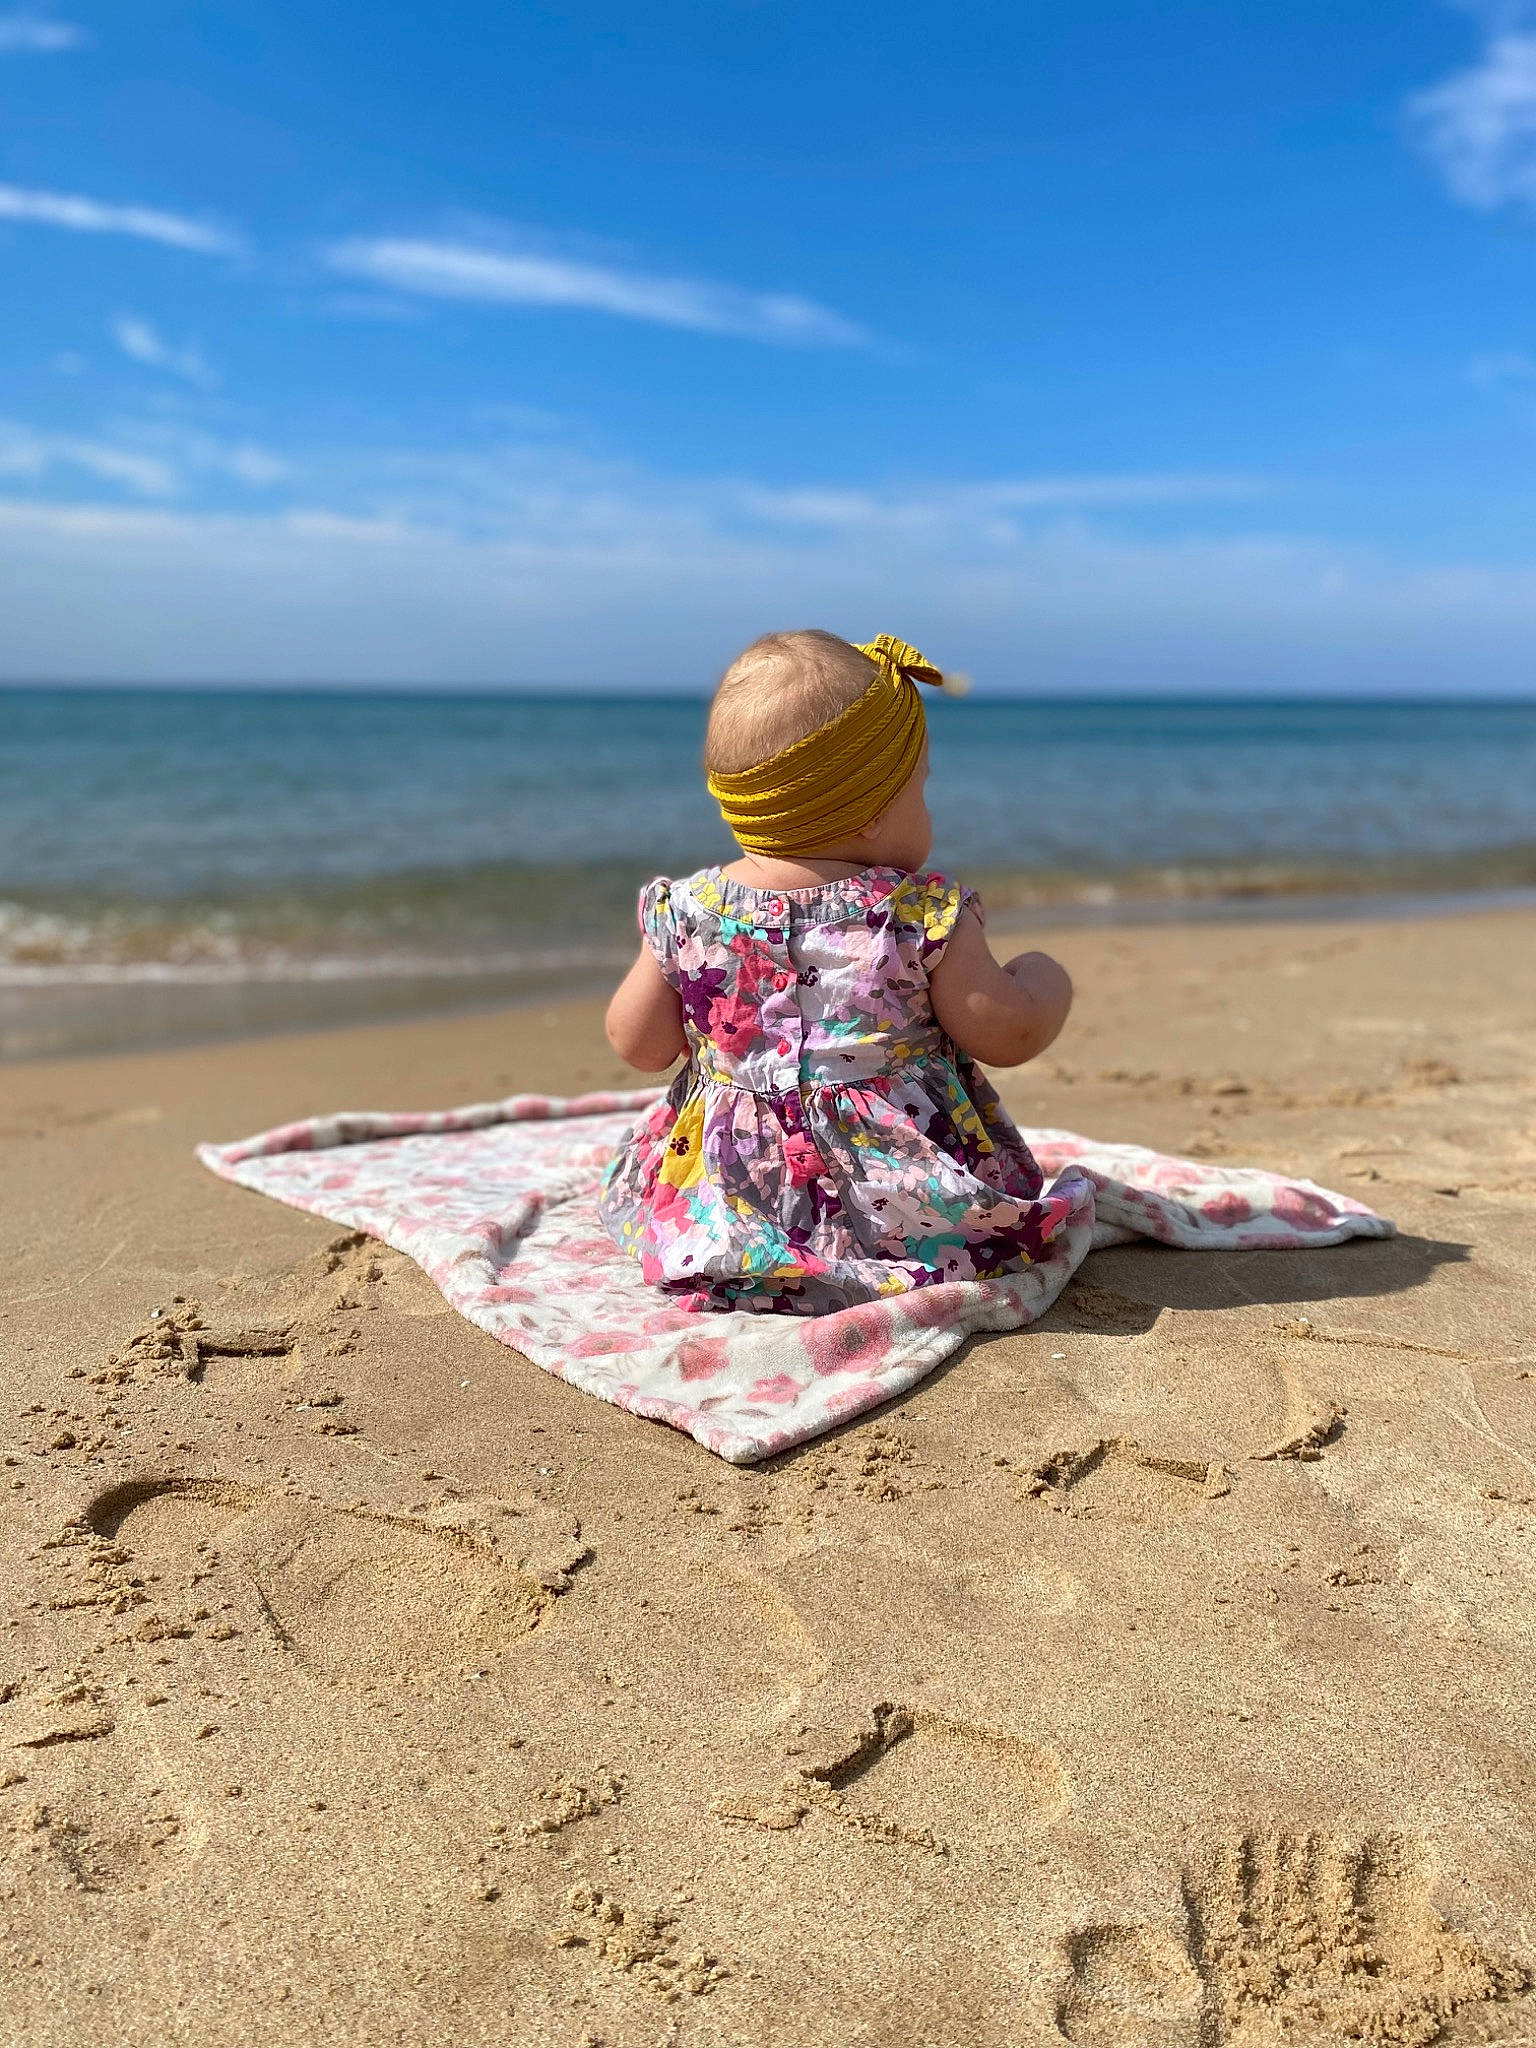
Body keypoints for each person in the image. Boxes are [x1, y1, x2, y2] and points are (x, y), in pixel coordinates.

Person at [599, 630, 1074, 1314]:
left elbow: (636, 1045)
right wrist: (1043, 979)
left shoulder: (687, 911)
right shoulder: (916, 913)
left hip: (726, 1200)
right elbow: (1009, 1033)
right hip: (899, 1210)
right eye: (922, 791)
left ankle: (745, 1254)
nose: (928, 809)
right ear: (878, 812)